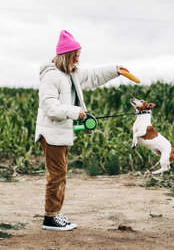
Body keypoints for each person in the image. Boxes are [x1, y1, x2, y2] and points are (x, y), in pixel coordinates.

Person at [35, 30, 124, 231]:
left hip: (61, 133)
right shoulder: (51, 77)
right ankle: (50, 218)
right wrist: (76, 112)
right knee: (57, 175)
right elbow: (50, 108)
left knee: (60, 174)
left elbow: (93, 76)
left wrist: (116, 69)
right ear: (67, 56)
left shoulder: (71, 75)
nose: (78, 60)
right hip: (51, 134)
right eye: (76, 56)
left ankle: (55, 213)